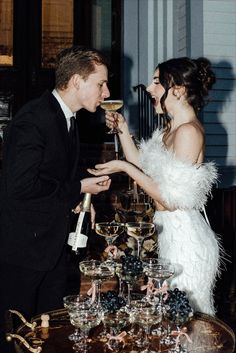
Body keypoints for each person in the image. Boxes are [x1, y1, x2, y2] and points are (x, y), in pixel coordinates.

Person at [88, 56, 222, 316]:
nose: (149, 89)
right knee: (171, 320)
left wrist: (124, 168)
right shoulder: (170, 129)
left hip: (188, 245)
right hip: (172, 237)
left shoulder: (188, 132)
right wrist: (123, 129)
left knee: (185, 323)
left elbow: (170, 199)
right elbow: (140, 164)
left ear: (179, 90)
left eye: (157, 82)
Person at [0, 45, 111, 352]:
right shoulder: (34, 120)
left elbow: (51, 181)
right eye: (101, 83)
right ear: (76, 81)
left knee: (49, 336)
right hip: (23, 254)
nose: (106, 92)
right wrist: (79, 188)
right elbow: (21, 188)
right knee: (16, 339)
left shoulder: (67, 119)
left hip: (49, 250)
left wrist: (74, 198)